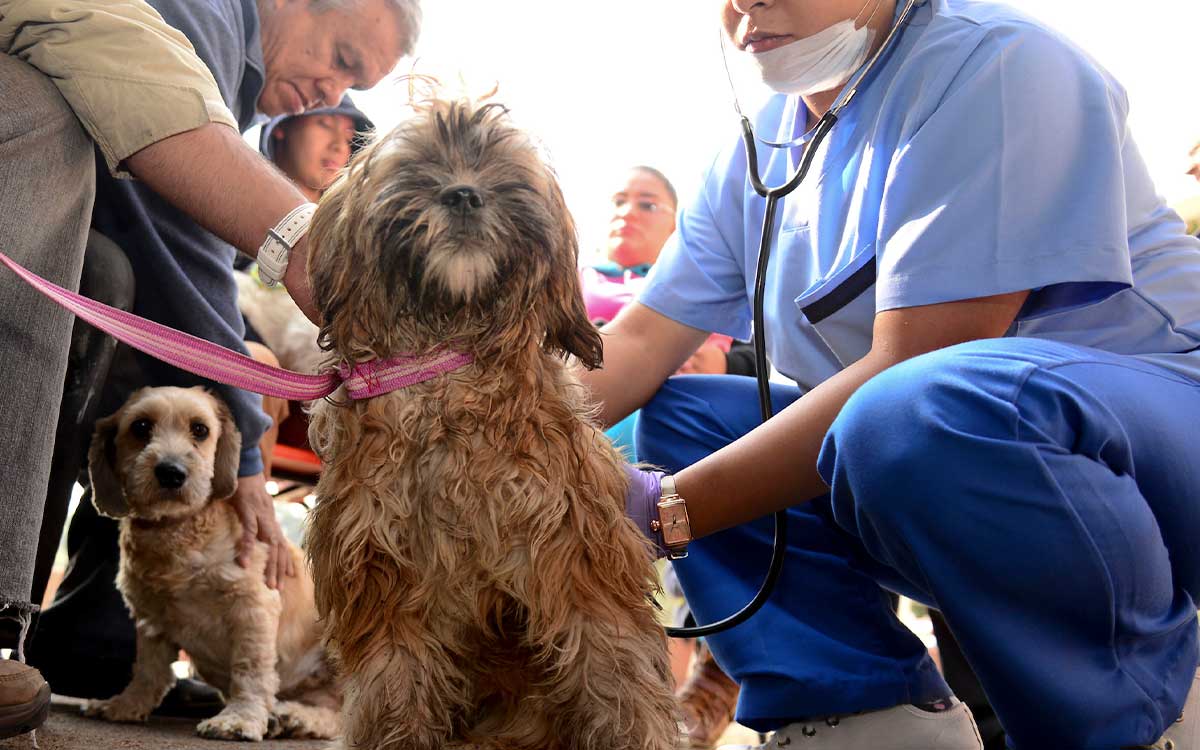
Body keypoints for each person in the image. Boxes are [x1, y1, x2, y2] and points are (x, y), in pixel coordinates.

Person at [591, 0, 1200, 748]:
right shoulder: (754, 157)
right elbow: (640, 342)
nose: (747, 1)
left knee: (916, 410)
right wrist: (465, 419)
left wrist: (650, 515)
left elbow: (918, 357)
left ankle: (1141, 715)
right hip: (943, 464)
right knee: (687, 418)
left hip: (1149, 449)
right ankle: (862, 717)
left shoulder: (995, 64)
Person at [0, 0, 417, 737]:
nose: (335, 92)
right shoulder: (205, 19)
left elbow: (187, 269)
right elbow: (180, 242)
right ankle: (66, 624)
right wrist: (244, 443)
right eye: (343, 56)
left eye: (356, 87)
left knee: (129, 302)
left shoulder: (234, 79)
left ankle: (92, 632)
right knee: (117, 289)